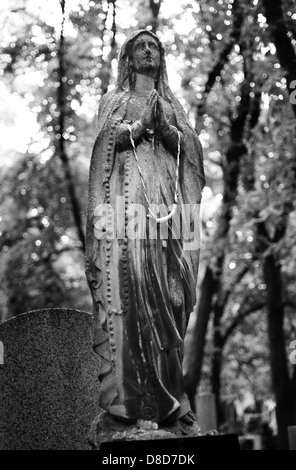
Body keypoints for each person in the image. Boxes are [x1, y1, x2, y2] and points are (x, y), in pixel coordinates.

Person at [85, 30, 205, 431]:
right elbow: (102, 147)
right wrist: (135, 130)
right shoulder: (114, 101)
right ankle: (135, 404)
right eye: (142, 46)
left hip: (167, 215)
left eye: (155, 46)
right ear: (129, 58)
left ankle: (172, 400)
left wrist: (169, 132)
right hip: (126, 215)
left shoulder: (173, 105)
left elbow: (191, 152)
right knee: (132, 292)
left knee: (172, 298)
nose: (149, 50)